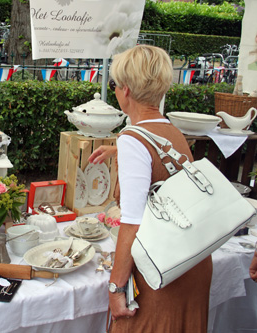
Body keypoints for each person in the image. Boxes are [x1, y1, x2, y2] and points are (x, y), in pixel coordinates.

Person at [88, 45, 212, 332]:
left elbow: (132, 222)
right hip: (192, 263)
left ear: (126, 90)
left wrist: (116, 288)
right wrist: (119, 147)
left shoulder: (133, 138)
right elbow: (161, 166)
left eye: (113, 84)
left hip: (161, 273)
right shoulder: (171, 130)